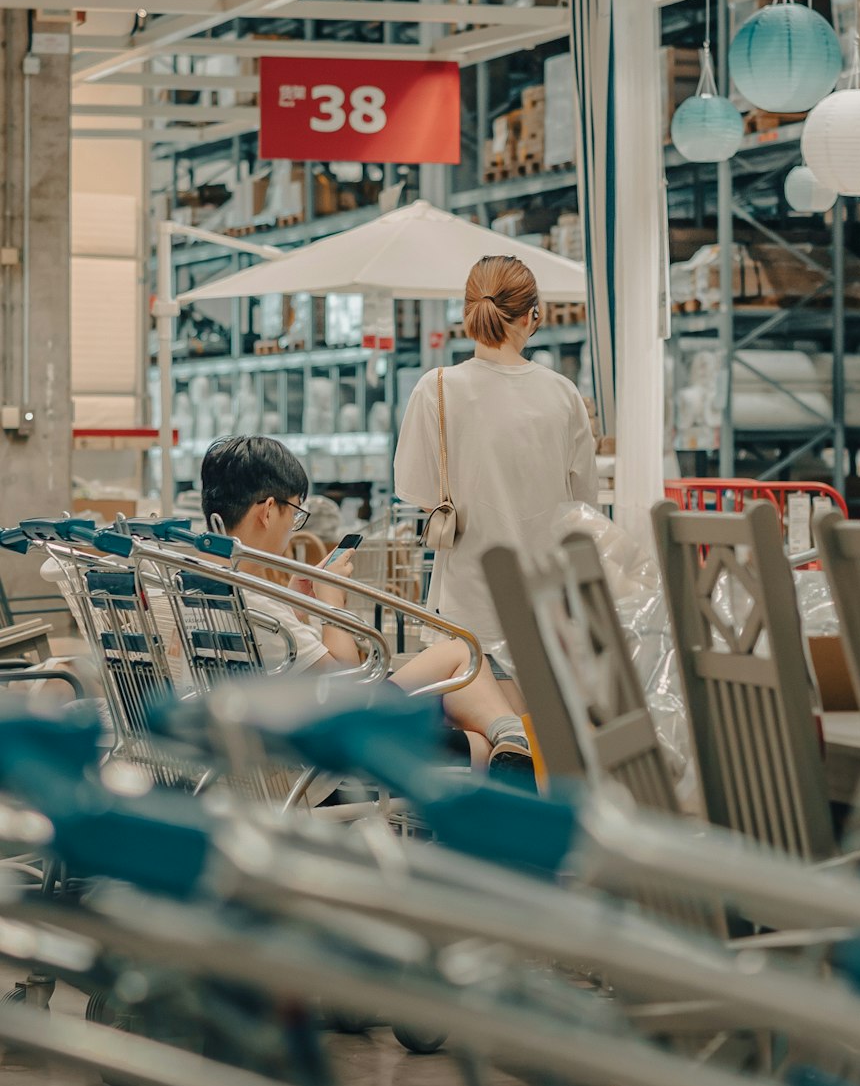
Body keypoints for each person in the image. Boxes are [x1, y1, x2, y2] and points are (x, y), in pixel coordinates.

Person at [199, 436, 533, 777]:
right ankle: (519, 740)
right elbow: (346, 685)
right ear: (268, 511)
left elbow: (277, 656)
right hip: (323, 754)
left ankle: (512, 736)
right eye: (295, 513)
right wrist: (332, 596)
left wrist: (294, 602)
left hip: (252, 748)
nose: (292, 527)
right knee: (462, 655)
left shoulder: (201, 587)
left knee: (468, 700)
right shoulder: (253, 602)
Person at [394, 255, 600, 672]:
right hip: (547, 605)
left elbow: (416, 489)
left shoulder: (435, 389)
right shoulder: (563, 395)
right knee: (540, 729)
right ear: (532, 316)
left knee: (480, 726)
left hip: (469, 605)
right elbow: (584, 503)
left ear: (467, 310)